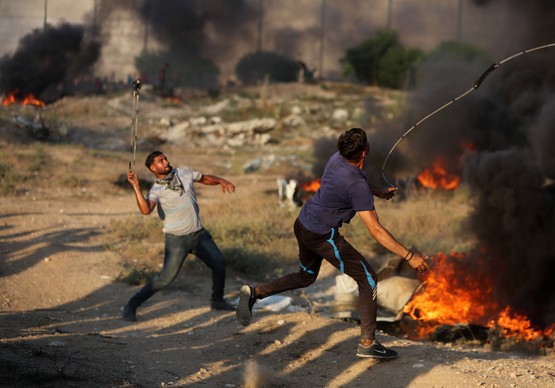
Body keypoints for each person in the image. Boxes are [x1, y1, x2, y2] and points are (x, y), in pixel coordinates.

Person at [236, 128, 430, 359]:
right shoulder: (356, 183)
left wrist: (376, 192)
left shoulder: (336, 158)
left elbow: (349, 185)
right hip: (321, 234)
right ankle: (368, 343)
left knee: (306, 276)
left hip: (303, 222)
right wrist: (410, 257)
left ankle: (255, 293)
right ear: (365, 151)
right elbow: (376, 230)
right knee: (368, 278)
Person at [123, 151, 236, 322]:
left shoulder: (184, 172)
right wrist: (136, 187)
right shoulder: (156, 190)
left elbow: (204, 178)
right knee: (165, 279)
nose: (166, 161)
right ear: (153, 168)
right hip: (176, 240)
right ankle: (132, 304)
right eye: (160, 161)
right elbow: (145, 209)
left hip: (199, 235)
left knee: (219, 263)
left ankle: (217, 301)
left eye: (165, 158)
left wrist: (221, 180)